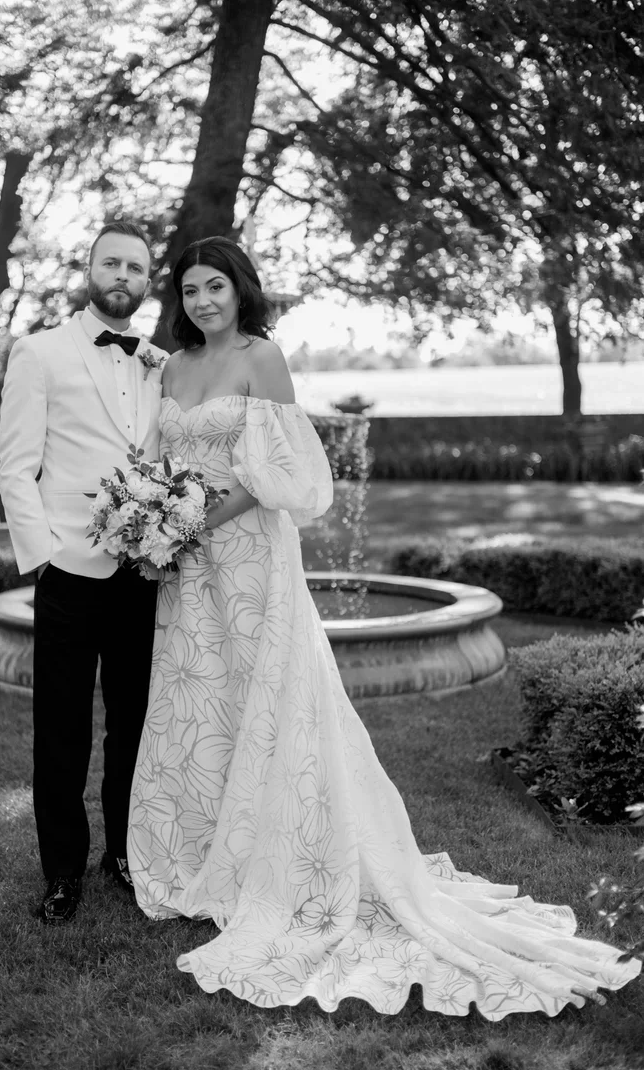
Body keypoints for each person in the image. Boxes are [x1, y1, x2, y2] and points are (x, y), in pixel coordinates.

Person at [126, 234, 640, 1017]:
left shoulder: (263, 357)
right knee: (204, 706)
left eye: (214, 287)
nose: (202, 301)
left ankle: (276, 861)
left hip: (250, 561)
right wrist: (152, 523)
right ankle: (200, 857)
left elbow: (280, 475)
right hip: (186, 574)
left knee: (268, 702)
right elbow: (158, 459)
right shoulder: (173, 365)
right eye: (190, 289)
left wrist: (189, 520)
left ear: (240, 290)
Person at [0, 221, 166, 925]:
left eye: (135, 266)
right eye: (112, 262)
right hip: (67, 568)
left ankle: (124, 855)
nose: (122, 274)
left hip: (146, 573)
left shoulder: (161, 361)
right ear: (89, 269)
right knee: (61, 728)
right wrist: (43, 557)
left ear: (146, 281)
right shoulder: (39, 352)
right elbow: (15, 465)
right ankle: (63, 870)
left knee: (134, 724)